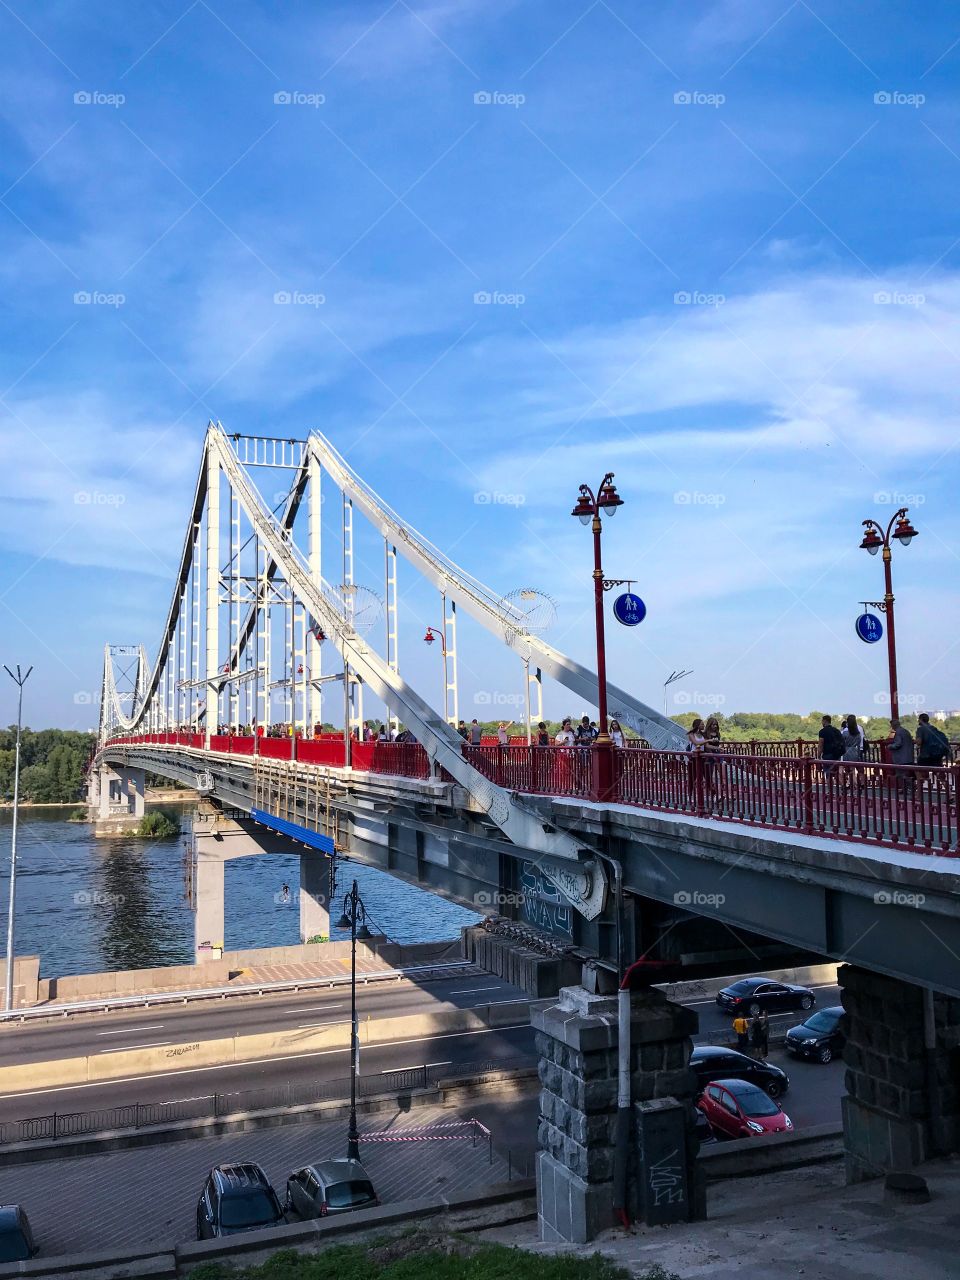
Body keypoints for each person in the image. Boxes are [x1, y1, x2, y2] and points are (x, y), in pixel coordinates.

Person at [886, 718, 915, 800]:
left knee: (901, 774)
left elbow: (898, 744)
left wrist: (890, 746)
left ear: (893, 726)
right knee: (903, 773)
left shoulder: (898, 733)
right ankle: (906, 789)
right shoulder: (905, 731)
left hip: (900, 757)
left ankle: (910, 787)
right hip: (908, 756)